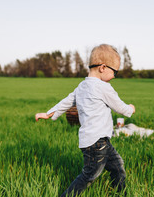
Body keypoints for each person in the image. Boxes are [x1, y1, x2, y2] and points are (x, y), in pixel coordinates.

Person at [35, 44, 135, 196]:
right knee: (89, 175)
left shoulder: (82, 86)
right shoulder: (104, 87)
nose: (115, 75)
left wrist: (49, 114)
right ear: (103, 67)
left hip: (94, 141)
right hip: (97, 143)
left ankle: (119, 192)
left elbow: (66, 102)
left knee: (117, 166)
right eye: (115, 71)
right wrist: (131, 109)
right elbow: (120, 107)